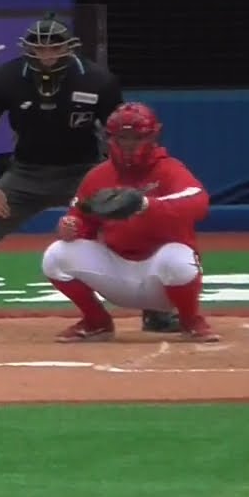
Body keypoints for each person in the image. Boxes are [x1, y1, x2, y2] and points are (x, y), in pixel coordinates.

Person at [0, 13, 180, 335]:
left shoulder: (98, 80)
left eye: (54, 48)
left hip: (86, 173)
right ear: (27, 48)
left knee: (136, 219)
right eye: (39, 48)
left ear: (69, 47)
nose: (47, 55)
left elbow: (120, 135)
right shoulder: (4, 77)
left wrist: (121, 183)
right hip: (25, 175)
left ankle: (156, 311)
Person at [41, 101, 220, 343]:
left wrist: (144, 204)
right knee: (56, 255)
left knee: (178, 257)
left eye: (137, 138)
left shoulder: (169, 169)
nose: (129, 144)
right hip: (117, 273)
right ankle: (96, 322)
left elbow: (198, 202)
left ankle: (190, 321)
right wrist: (71, 226)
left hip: (161, 280)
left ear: (152, 136)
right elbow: (81, 217)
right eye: (122, 138)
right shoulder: (99, 176)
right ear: (110, 138)